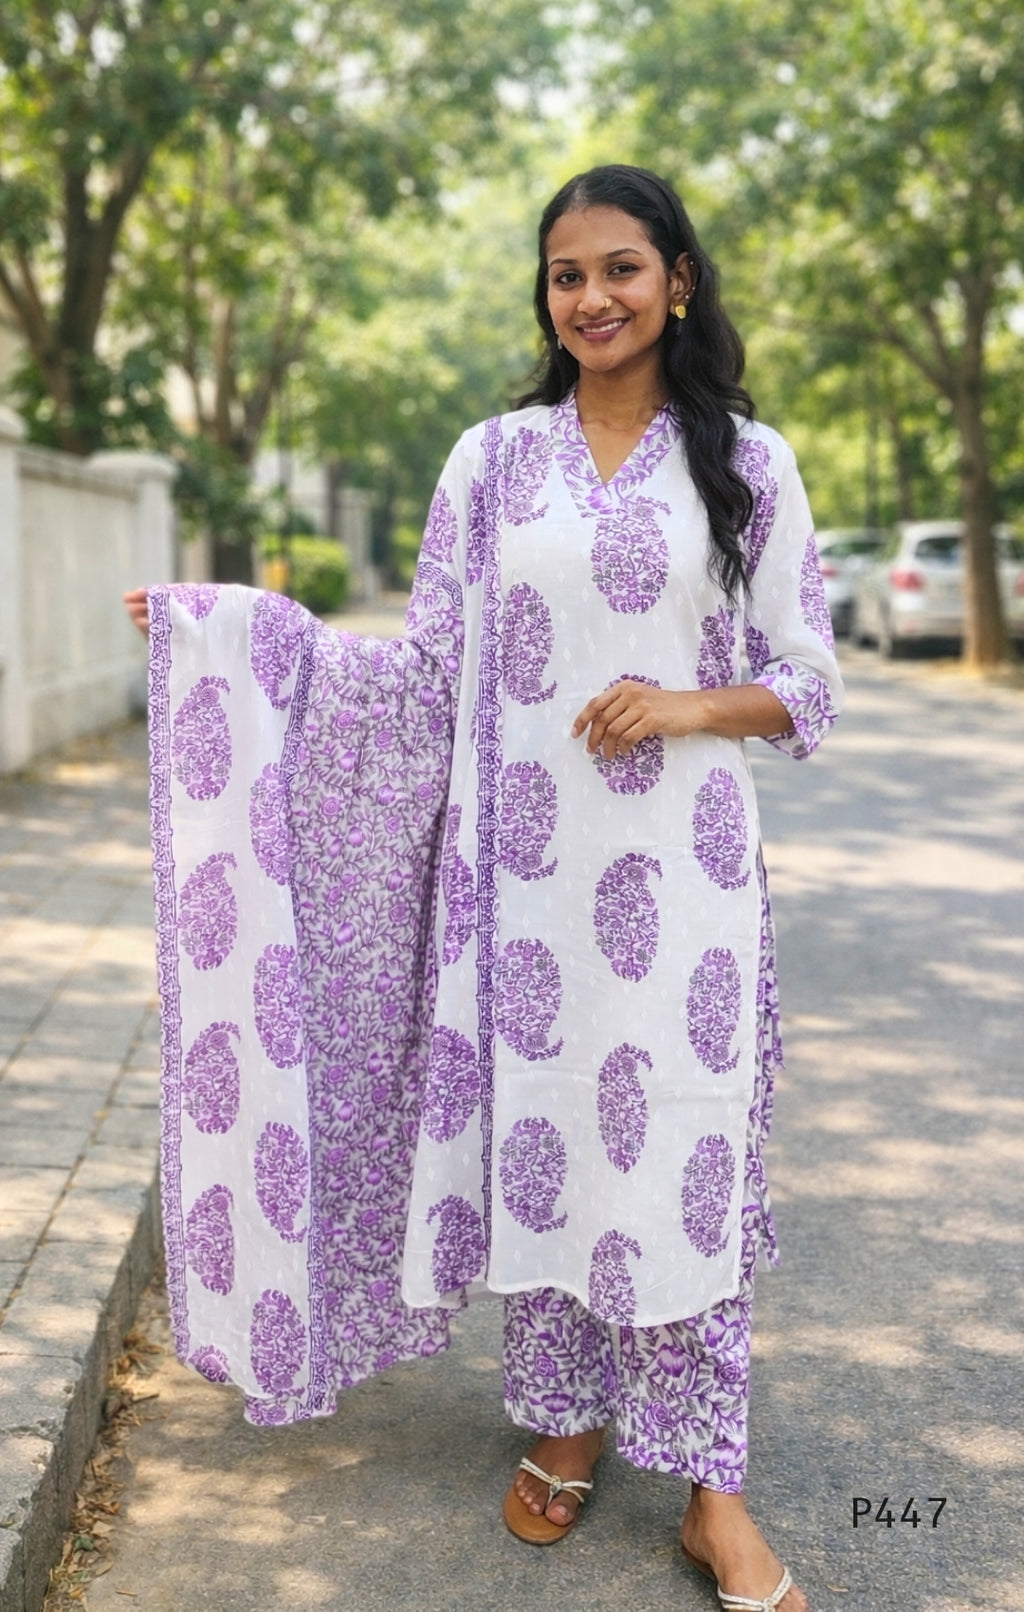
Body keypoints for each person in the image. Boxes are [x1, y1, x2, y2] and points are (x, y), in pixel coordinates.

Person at [126, 164, 840, 1612]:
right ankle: (570, 1422)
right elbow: (424, 677)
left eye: (622, 269)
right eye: (566, 275)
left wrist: (685, 706)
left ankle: (714, 1487)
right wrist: (233, 635)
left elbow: (806, 680)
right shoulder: (493, 460)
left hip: (686, 889)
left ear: (679, 281)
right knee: (553, 1144)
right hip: (518, 887)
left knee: (683, 1162)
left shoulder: (748, 466)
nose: (593, 298)